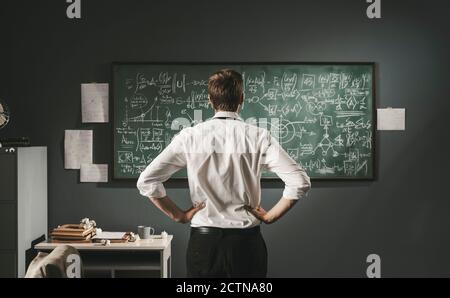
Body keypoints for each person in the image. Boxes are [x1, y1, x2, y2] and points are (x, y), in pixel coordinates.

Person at [137, 69, 311, 277]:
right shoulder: (259, 137)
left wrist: (179, 215)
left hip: (204, 243)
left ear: (210, 100)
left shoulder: (190, 136)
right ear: (242, 99)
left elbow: (147, 181)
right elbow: (299, 181)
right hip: (246, 244)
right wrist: (270, 216)